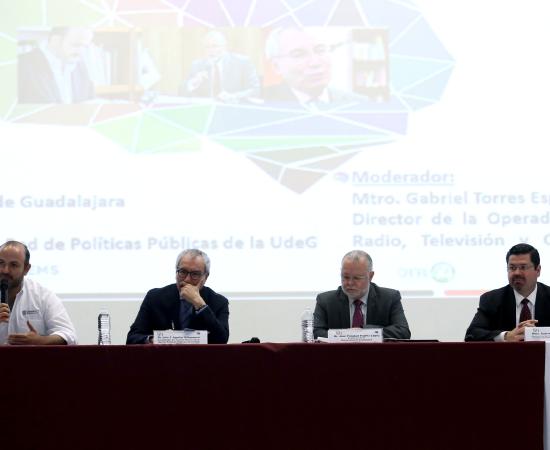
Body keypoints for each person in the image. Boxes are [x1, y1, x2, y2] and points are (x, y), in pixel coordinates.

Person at [127, 249, 229, 344]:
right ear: (176, 272)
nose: (187, 279)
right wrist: (153, 340)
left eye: (195, 274)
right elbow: (132, 338)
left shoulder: (219, 302)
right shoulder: (155, 297)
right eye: (183, 272)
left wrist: (200, 304)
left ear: (205, 277)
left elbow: (222, 339)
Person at [313, 250, 411, 339]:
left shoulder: (389, 298)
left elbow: (403, 331)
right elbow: (315, 332)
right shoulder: (325, 301)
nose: (350, 283)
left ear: (370, 276)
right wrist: (347, 335)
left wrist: (363, 332)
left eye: (357, 278)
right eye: (345, 277)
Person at [465, 243, 550, 341]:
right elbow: (472, 334)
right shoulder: (492, 300)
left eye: (523, 267)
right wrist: (505, 336)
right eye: (512, 268)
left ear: (538, 270)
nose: (517, 273)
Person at [0, 241, 77, 345]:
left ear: (26, 269)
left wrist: (40, 341)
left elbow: (69, 335)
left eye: (13, 265)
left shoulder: (42, 296)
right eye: (1, 263)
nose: (5, 270)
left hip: (32, 356)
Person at [263, 27, 361, 106]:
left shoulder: (358, 101)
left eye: (321, 50)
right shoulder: (262, 102)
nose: (315, 63)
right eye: (299, 55)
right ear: (276, 66)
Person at [18, 26, 95, 103]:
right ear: (56, 40)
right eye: (76, 45)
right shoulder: (21, 64)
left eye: (85, 47)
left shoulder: (81, 67)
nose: (81, 52)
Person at [180, 30, 260, 103]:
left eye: (215, 46)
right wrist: (193, 83)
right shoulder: (197, 65)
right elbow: (182, 92)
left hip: (233, 108)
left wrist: (233, 96)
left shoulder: (242, 62)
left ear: (224, 46)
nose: (211, 50)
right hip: (207, 108)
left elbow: (255, 90)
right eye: (207, 47)